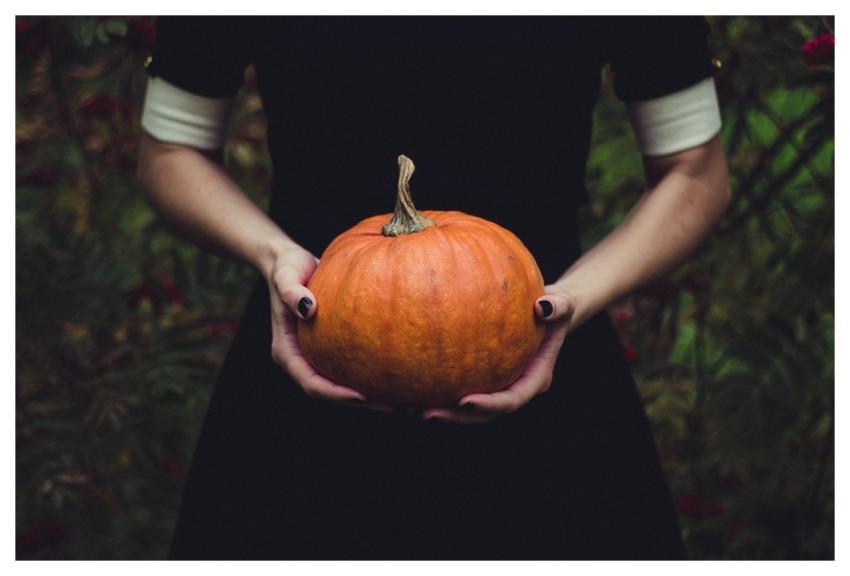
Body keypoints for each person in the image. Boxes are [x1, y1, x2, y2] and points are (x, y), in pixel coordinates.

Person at [137, 16, 731, 560]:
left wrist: (573, 299)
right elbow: (171, 151)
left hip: (543, 353)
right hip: (312, 343)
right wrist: (274, 257)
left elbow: (695, 172)